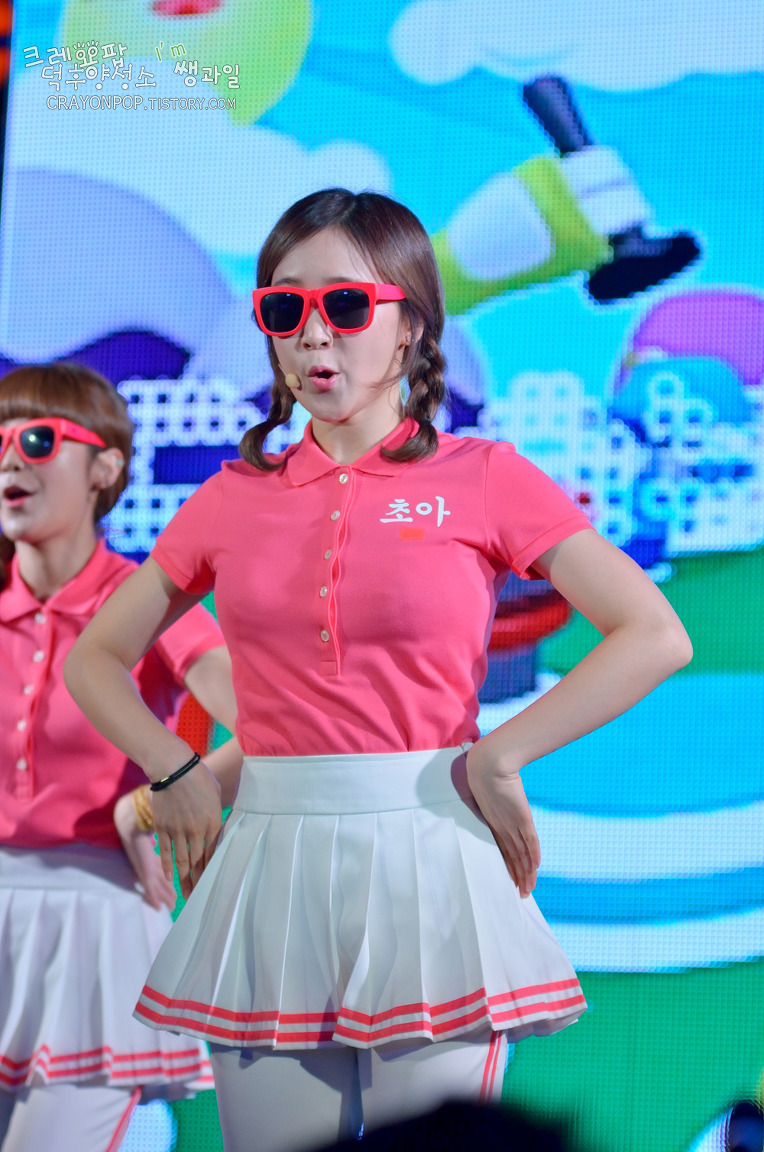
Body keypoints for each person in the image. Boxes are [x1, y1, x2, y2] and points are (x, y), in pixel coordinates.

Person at [65, 190, 692, 1152]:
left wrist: (499, 756)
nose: (314, 334)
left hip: (431, 848)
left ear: (411, 325)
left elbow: (652, 632)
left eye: (348, 305)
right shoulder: (231, 498)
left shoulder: (485, 477)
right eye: (285, 307)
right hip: (267, 863)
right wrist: (176, 770)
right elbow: (98, 657)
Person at [0, 362, 241, 1152]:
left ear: (105, 468)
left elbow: (276, 728)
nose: (10, 459)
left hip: (96, 921)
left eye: (38, 440)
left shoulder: (146, 604)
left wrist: (154, 802)